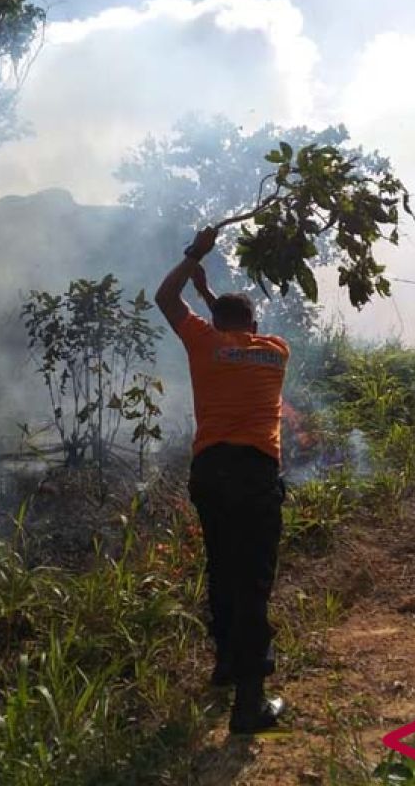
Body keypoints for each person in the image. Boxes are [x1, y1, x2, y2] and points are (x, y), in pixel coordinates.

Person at [154, 226, 289, 735]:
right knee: (253, 580)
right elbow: (241, 331)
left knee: (221, 566)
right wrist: (216, 298)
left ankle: (227, 664)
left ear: (214, 321)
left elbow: (165, 297)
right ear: (253, 323)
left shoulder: (203, 344)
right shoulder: (275, 351)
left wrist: (196, 254)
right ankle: (249, 704)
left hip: (210, 472)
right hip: (255, 474)